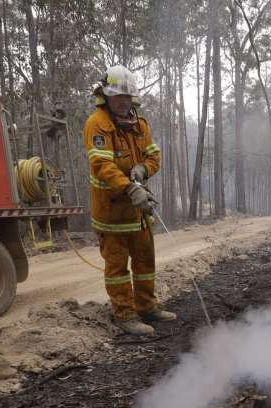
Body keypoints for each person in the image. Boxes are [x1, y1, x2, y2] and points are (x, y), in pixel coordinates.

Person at [83, 65, 176, 335]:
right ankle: (125, 316)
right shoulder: (96, 125)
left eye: (128, 98)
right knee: (118, 268)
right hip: (111, 214)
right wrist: (130, 188)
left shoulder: (140, 125)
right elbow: (102, 166)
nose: (124, 103)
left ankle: (147, 307)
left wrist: (143, 169)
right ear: (106, 96)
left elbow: (154, 157)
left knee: (146, 262)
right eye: (118, 97)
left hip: (138, 213)